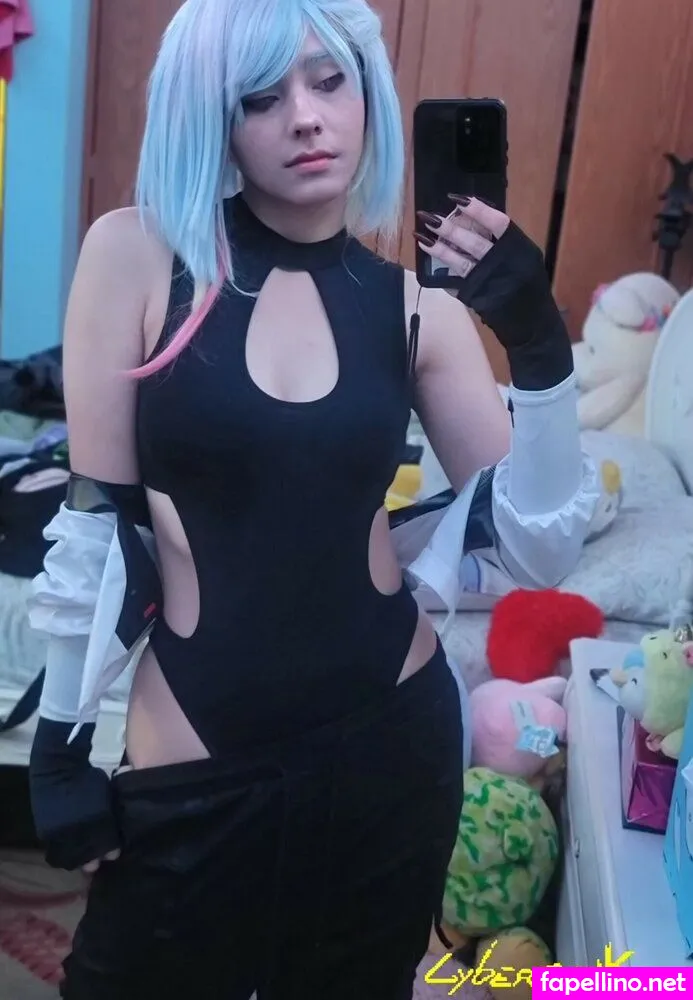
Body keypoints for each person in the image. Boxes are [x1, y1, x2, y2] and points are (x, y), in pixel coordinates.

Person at [26, 0, 599, 997]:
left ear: (366, 92)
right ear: (214, 117)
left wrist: (540, 347)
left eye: (329, 81)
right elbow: (97, 519)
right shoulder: (135, 256)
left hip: (390, 748)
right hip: (198, 759)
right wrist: (60, 749)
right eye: (260, 96)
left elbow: (535, 544)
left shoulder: (418, 310)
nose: (304, 116)